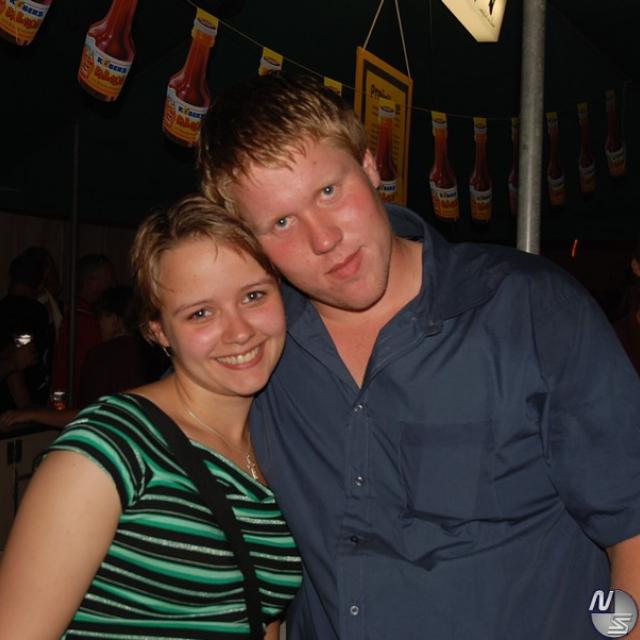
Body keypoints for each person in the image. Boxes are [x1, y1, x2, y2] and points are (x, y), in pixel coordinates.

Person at [197, 73, 640, 640]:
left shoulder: (531, 310)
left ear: (370, 167)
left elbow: (632, 532)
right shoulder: (256, 349)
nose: (324, 239)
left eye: (328, 191)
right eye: (281, 222)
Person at [0, 195, 302, 639]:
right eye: (201, 313)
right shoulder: (110, 447)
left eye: (254, 295)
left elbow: (260, 613)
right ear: (159, 331)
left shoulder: (281, 442)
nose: (239, 331)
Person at [0, 286, 163, 430]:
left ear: (114, 320)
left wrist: (34, 414)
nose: (98, 324)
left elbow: (89, 414)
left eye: (100, 318)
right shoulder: (152, 353)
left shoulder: (103, 354)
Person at [51, 253, 115, 403]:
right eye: (108, 280)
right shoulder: (82, 319)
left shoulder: (79, 313)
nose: (112, 285)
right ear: (91, 281)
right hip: (77, 399)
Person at [0, 248, 51, 412]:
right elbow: (18, 354)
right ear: (40, 284)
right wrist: (26, 409)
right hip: (17, 411)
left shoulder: (3, 308)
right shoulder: (34, 312)